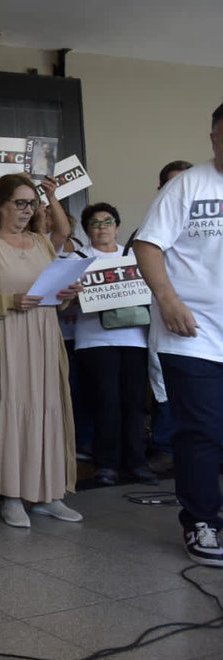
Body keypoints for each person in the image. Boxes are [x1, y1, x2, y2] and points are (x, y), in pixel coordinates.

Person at [0, 173, 82, 529]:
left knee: (49, 408)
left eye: (31, 203)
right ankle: (12, 495)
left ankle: (49, 493)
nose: (27, 211)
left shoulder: (41, 244)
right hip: (4, 338)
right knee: (9, 410)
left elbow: (51, 288)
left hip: (42, 337)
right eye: (20, 203)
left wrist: (63, 294)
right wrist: (9, 301)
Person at [133, 103, 223, 567]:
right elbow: (147, 244)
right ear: (213, 139)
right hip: (194, 333)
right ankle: (202, 520)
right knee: (203, 430)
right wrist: (167, 299)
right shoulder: (188, 185)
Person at [67, 203, 156, 486]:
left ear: (117, 226)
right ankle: (106, 464)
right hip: (94, 340)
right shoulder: (77, 259)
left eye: (108, 221)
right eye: (95, 223)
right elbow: (62, 301)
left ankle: (137, 463)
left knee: (134, 403)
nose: (102, 227)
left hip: (134, 339)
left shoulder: (133, 257)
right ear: (87, 229)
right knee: (105, 402)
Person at [144, 160, 193, 475]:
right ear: (161, 190)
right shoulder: (149, 231)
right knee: (164, 379)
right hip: (167, 316)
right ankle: (163, 446)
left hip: (209, 321)